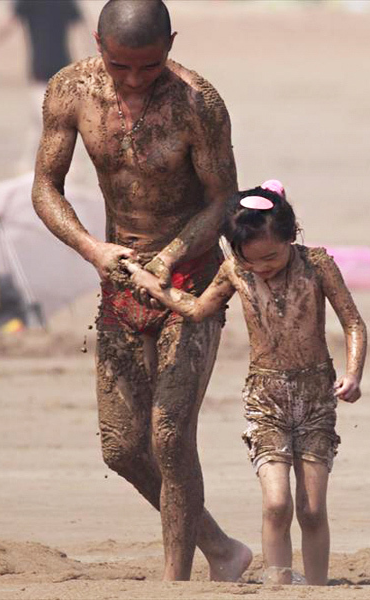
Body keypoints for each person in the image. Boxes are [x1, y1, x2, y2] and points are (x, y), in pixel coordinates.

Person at [31, 0, 250, 582]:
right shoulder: (70, 89)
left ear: (171, 45)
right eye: (120, 65)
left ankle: (176, 584)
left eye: (149, 67)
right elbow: (45, 189)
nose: (133, 80)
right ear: (99, 43)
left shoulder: (198, 103)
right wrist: (94, 250)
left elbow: (223, 200)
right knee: (123, 448)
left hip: (192, 278)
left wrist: (171, 256)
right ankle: (223, 549)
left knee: (171, 434)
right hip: (120, 277)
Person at [126, 180, 368, 585]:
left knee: (311, 509)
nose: (263, 268)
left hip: (316, 398)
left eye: (271, 257)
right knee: (277, 504)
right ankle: (279, 582)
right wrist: (159, 288)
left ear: (291, 236)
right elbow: (199, 309)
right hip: (265, 398)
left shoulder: (318, 265)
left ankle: (319, 588)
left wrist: (353, 373)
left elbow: (353, 323)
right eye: (252, 260)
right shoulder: (235, 271)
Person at [0, 0, 89, 171]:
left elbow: (7, 26)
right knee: (42, 118)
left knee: (46, 118)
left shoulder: (28, 2)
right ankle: (30, 161)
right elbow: (84, 29)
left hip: (42, 67)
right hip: (63, 65)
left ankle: (65, 163)